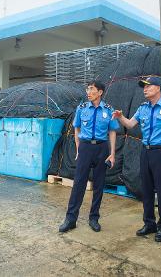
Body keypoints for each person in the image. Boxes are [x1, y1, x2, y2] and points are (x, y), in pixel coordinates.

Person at [112, 75, 161, 242]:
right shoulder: (143, 108)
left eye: (148, 86)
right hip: (145, 152)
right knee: (147, 190)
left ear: (158, 88)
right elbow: (130, 124)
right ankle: (149, 223)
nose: (145, 89)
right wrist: (121, 116)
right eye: (144, 86)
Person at [59, 80, 119, 233]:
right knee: (79, 183)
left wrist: (112, 153)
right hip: (85, 147)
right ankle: (71, 219)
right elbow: (77, 129)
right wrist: (79, 149)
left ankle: (94, 218)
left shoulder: (108, 109)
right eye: (87, 89)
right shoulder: (82, 108)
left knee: (99, 184)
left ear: (100, 92)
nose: (88, 92)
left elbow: (112, 131)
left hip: (102, 148)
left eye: (91, 89)